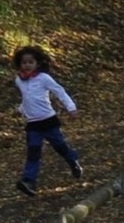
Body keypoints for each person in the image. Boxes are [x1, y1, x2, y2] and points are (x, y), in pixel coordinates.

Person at [11, 47, 83, 195]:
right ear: (19, 64)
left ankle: (72, 161)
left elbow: (59, 91)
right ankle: (29, 181)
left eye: (31, 62)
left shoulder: (43, 78)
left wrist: (71, 107)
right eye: (24, 62)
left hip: (48, 120)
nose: (27, 65)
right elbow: (27, 98)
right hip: (33, 124)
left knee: (59, 146)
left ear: (37, 64)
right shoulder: (19, 80)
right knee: (33, 151)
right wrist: (20, 110)